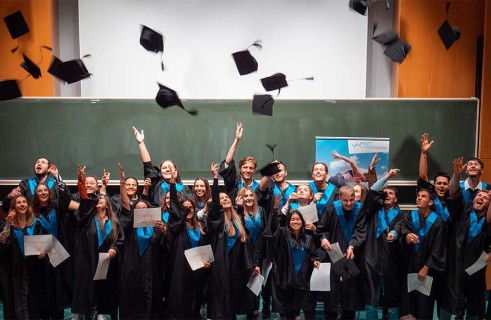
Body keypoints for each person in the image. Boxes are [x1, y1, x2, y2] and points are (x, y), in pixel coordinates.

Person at [440, 157, 491, 319]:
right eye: (478, 196)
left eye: (485, 197)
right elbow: (453, 193)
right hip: (456, 262)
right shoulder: (463, 212)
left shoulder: (488, 222)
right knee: (451, 301)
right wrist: (456, 174)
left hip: (477, 265)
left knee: (475, 305)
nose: (480, 198)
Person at [71, 165, 124, 320]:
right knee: (87, 288)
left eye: (102, 198)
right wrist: (81, 181)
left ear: (107, 203)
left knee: (104, 288)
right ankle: (85, 312)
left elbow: (121, 239)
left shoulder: (114, 221)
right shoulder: (87, 218)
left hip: (106, 261)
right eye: (97, 199)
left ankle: (100, 311)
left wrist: (114, 248)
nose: (99, 200)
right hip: (88, 260)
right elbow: (84, 204)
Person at [117, 164, 167, 320]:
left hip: (152, 269)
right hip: (134, 269)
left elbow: (163, 245)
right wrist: (122, 182)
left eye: (145, 208)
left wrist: (163, 230)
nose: (142, 210)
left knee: (152, 299)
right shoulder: (129, 226)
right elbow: (125, 204)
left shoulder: (155, 228)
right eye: (138, 209)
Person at [358, 169, 403, 320]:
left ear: (396, 199)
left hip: (392, 259)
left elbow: (401, 228)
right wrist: (387, 177)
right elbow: (372, 191)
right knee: (371, 294)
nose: (387, 195)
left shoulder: (401, 214)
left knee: (392, 294)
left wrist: (395, 233)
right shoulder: (373, 211)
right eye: (385, 193)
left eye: (391, 193)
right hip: (372, 256)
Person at [166, 170, 210, 319]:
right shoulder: (177, 228)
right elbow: (174, 208)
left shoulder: (200, 229)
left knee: (195, 302)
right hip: (181, 272)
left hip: (197, 272)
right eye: (184, 209)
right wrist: (172, 184)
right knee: (180, 304)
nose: (188, 211)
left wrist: (205, 263)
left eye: (190, 208)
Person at [206, 162, 248, 320]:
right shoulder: (217, 219)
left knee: (232, 296)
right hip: (220, 263)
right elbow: (215, 205)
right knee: (220, 296)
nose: (224, 200)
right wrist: (215, 179)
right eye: (220, 198)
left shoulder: (237, 219)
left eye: (226, 197)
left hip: (234, 263)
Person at [317, 186, 366, 320]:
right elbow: (321, 229)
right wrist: (324, 238)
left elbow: (360, 231)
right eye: (346, 201)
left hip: (351, 257)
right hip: (333, 256)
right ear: (340, 198)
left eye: (352, 200)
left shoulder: (359, 209)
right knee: (332, 293)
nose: (349, 203)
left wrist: (352, 246)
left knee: (350, 294)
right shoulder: (331, 209)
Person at [264, 208, 320, 320]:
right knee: (289, 312)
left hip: (304, 281)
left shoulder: (308, 238)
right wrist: (275, 210)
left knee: (309, 311)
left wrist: (315, 261)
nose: (295, 222)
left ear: (302, 222)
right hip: (288, 280)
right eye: (292, 219)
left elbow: (313, 255)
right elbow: (274, 228)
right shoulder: (283, 235)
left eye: (298, 219)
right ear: (288, 222)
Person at [400, 188, 446, 319]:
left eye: (423, 196)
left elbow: (438, 248)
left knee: (424, 303)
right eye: (418, 196)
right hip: (409, 266)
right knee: (408, 301)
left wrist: (426, 268)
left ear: (431, 202)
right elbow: (404, 232)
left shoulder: (437, 222)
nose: (419, 198)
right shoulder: (409, 216)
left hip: (427, 270)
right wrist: (407, 237)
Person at [31, 181, 73, 319]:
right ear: (36, 195)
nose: (43, 192)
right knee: (43, 289)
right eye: (40, 191)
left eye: (45, 190)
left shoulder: (56, 209)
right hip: (40, 257)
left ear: (49, 194)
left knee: (57, 289)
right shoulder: (32, 212)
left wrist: (58, 178)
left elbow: (66, 198)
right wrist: (36, 251)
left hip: (57, 253)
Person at [0, 195, 43, 319]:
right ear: (14, 208)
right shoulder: (7, 224)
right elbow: (2, 244)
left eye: (24, 202)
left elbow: (42, 246)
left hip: (32, 269)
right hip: (14, 270)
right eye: (19, 203)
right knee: (16, 301)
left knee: (32, 302)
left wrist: (42, 255)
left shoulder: (36, 224)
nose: (22, 204)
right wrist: (8, 222)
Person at [133, 126, 192, 206]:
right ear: (160, 171)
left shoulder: (185, 189)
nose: (167, 170)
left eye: (170, 167)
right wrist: (141, 143)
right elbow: (147, 164)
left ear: (176, 171)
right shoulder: (155, 185)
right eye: (164, 168)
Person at [235, 186, 265, 319]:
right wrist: (239, 209)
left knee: (256, 284)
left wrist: (257, 260)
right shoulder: (236, 213)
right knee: (245, 285)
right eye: (245, 196)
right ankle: (246, 309)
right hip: (244, 254)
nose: (248, 198)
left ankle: (253, 311)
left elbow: (263, 233)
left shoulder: (261, 211)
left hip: (259, 251)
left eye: (250, 195)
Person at [1, 157, 67, 212]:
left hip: (52, 224)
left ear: (49, 169)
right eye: (37, 162)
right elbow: (6, 208)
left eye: (43, 162)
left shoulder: (55, 184)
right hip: (30, 224)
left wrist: (56, 175)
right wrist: (9, 198)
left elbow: (67, 200)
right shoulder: (25, 184)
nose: (39, 164)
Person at [219, 122, 259, 203]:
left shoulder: (258, 188)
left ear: (254, 170)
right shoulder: (233, 182)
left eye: (251, 168)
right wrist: (236, 140)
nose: (247, 170)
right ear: (240, 169)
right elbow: (227, 162)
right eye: (245, 167)